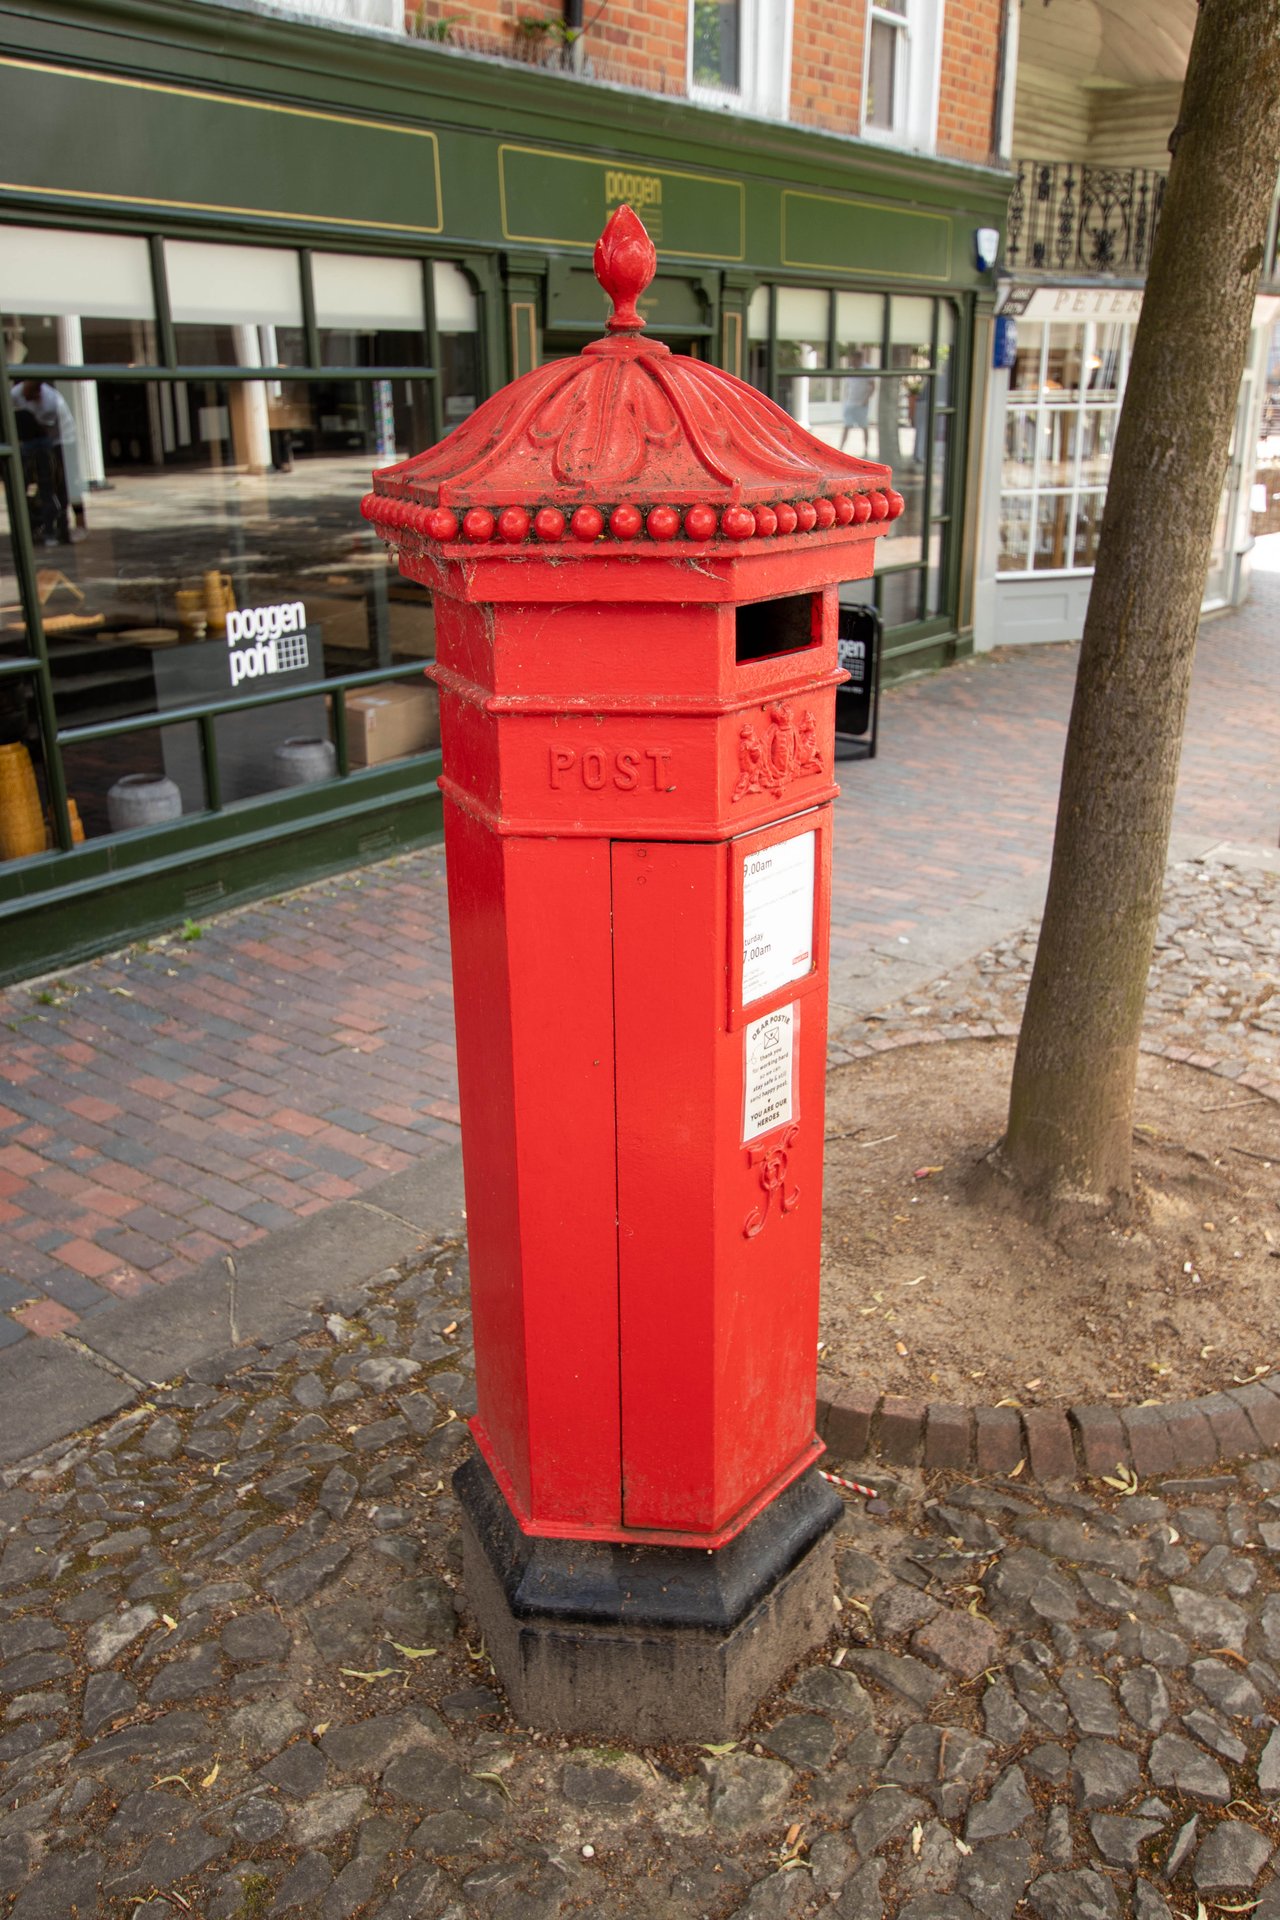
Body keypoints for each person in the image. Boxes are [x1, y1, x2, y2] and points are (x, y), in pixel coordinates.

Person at [10, 379, 86, 546]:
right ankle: (33, 523)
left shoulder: (50, 402)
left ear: (38, 394)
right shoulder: (16, 393)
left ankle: (61, 528)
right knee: (25, 481)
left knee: (59, 483)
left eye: (31, 397)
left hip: (61, 439)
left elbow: (45, 431)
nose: (27, 400)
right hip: (35, 438)